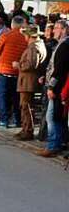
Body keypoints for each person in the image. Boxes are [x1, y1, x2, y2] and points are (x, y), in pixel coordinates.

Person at [39, 17, 69, 157]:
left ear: (63, 30)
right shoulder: (61, 44)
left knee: (52, 117)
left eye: (57, 28)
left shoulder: (64, 45)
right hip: (58, 86)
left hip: (58, 88)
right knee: (57, 116)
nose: (54, 31)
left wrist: (52, 88)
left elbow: (60, 70)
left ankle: (53, 145)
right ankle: (60, 142)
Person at [0, 14, 28, 128]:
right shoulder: (26, 37)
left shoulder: (6, 35)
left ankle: (4, 120)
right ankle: (18, 120)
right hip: (18, 71)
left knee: (2, 96)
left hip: (3, 69)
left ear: (13, 24)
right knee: (16, 97)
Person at [15, 26, 46, 141]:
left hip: (28, 81)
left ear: (29, 36)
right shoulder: (38, 45)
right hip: (29, 81)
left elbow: (31, 64)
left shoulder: (34, 47)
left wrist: (18, 65)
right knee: (26, 106)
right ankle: (25, 129)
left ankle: (27, 131)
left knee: (26, 106)